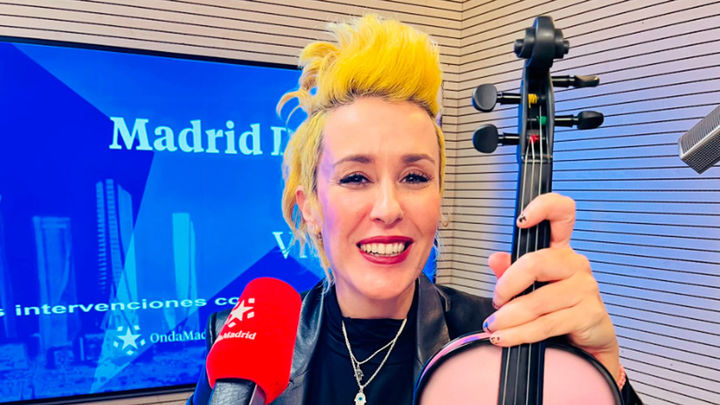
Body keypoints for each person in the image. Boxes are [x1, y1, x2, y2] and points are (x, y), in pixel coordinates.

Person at [188, 14, 641, 404]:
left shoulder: (497, 337)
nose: (388, 208)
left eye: (415, 177)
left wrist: (605, 374)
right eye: (355, 177)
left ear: (439, 200)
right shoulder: (241, 347)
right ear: (310, 209)